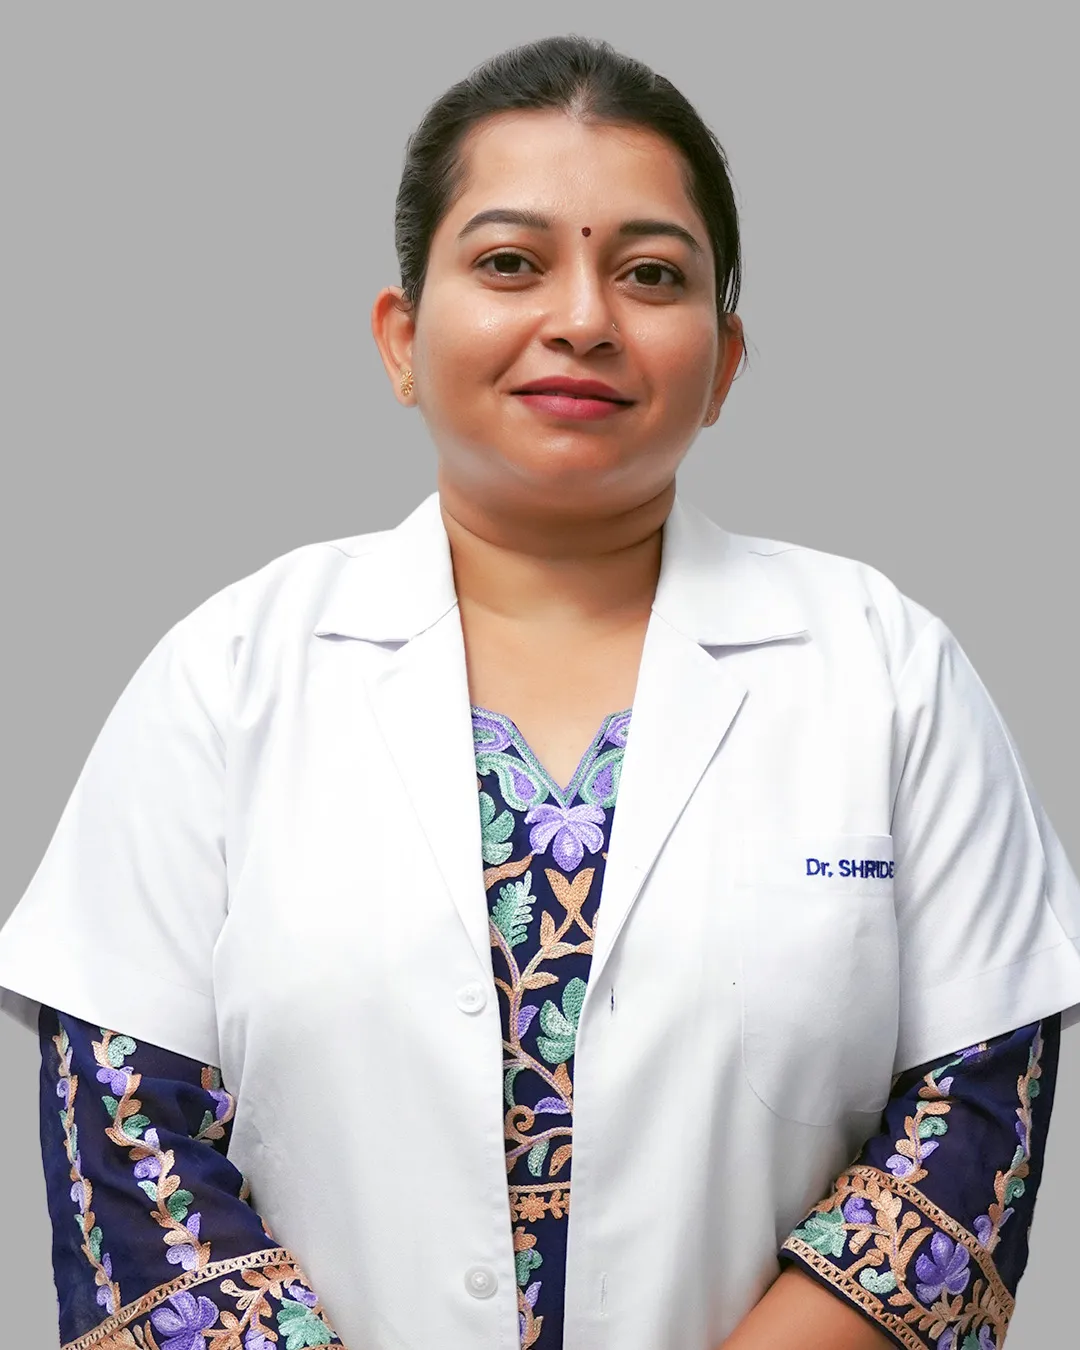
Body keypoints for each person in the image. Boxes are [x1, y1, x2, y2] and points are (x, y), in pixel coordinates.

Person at [1, 32, 1078, 1350]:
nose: (582, 319)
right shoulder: (223, 680)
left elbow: (973, 1131)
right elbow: (129, 1155)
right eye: (512, 262)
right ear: (402, 338)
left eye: (651, 273)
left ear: (726, 361)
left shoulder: (888, 669)